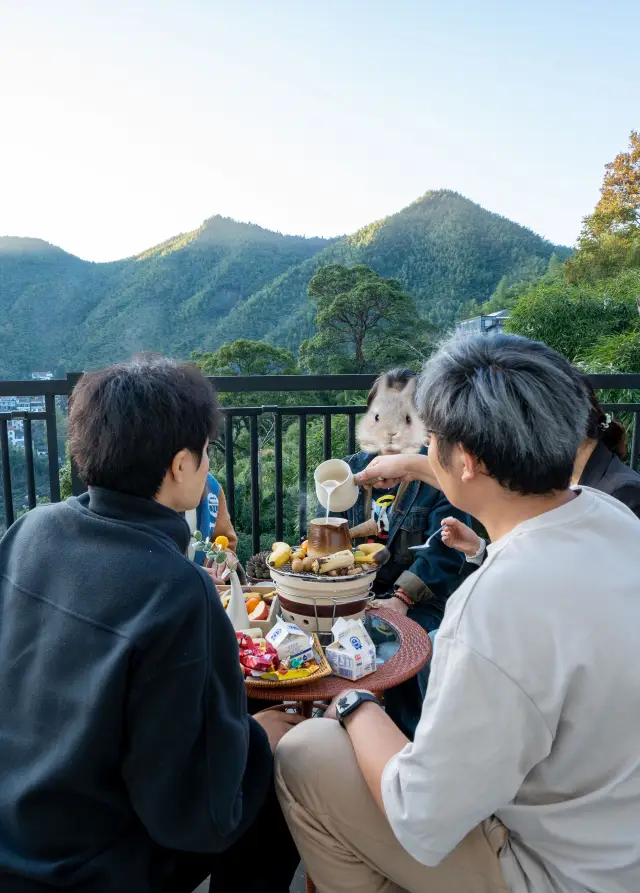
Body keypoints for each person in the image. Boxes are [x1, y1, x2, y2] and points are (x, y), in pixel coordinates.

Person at [275, 332, 640, 893]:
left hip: (552, 871)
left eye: (433, 439)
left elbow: (421, 813)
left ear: (464, 459)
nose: (427, 450)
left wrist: (352, 703)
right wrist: (416, 468)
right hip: (613, 841)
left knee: (306, 748)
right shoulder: (615, 522)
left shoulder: (499, 599)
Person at [0, 356, 302, 893]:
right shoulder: (176, 589)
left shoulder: (30, 531)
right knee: (267, 777)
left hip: (14, 828)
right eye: (207, 453)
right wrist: (258, 739)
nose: (208, 466)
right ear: (180, 464)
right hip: (86, 868)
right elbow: (195, 814)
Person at [339, 368, 470, 737]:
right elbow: (331, 540)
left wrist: (401, 599)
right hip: (358, 595)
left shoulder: (436, 474)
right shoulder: (351, 471)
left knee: (404, 649)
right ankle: (347, 730)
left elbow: (445, 550)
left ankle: (405, 737)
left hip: (420, 599)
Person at [187, 472, 245, 584]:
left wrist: (220, 559)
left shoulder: (211, 489)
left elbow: (224, 541)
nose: (207, 462)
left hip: (205, 592)